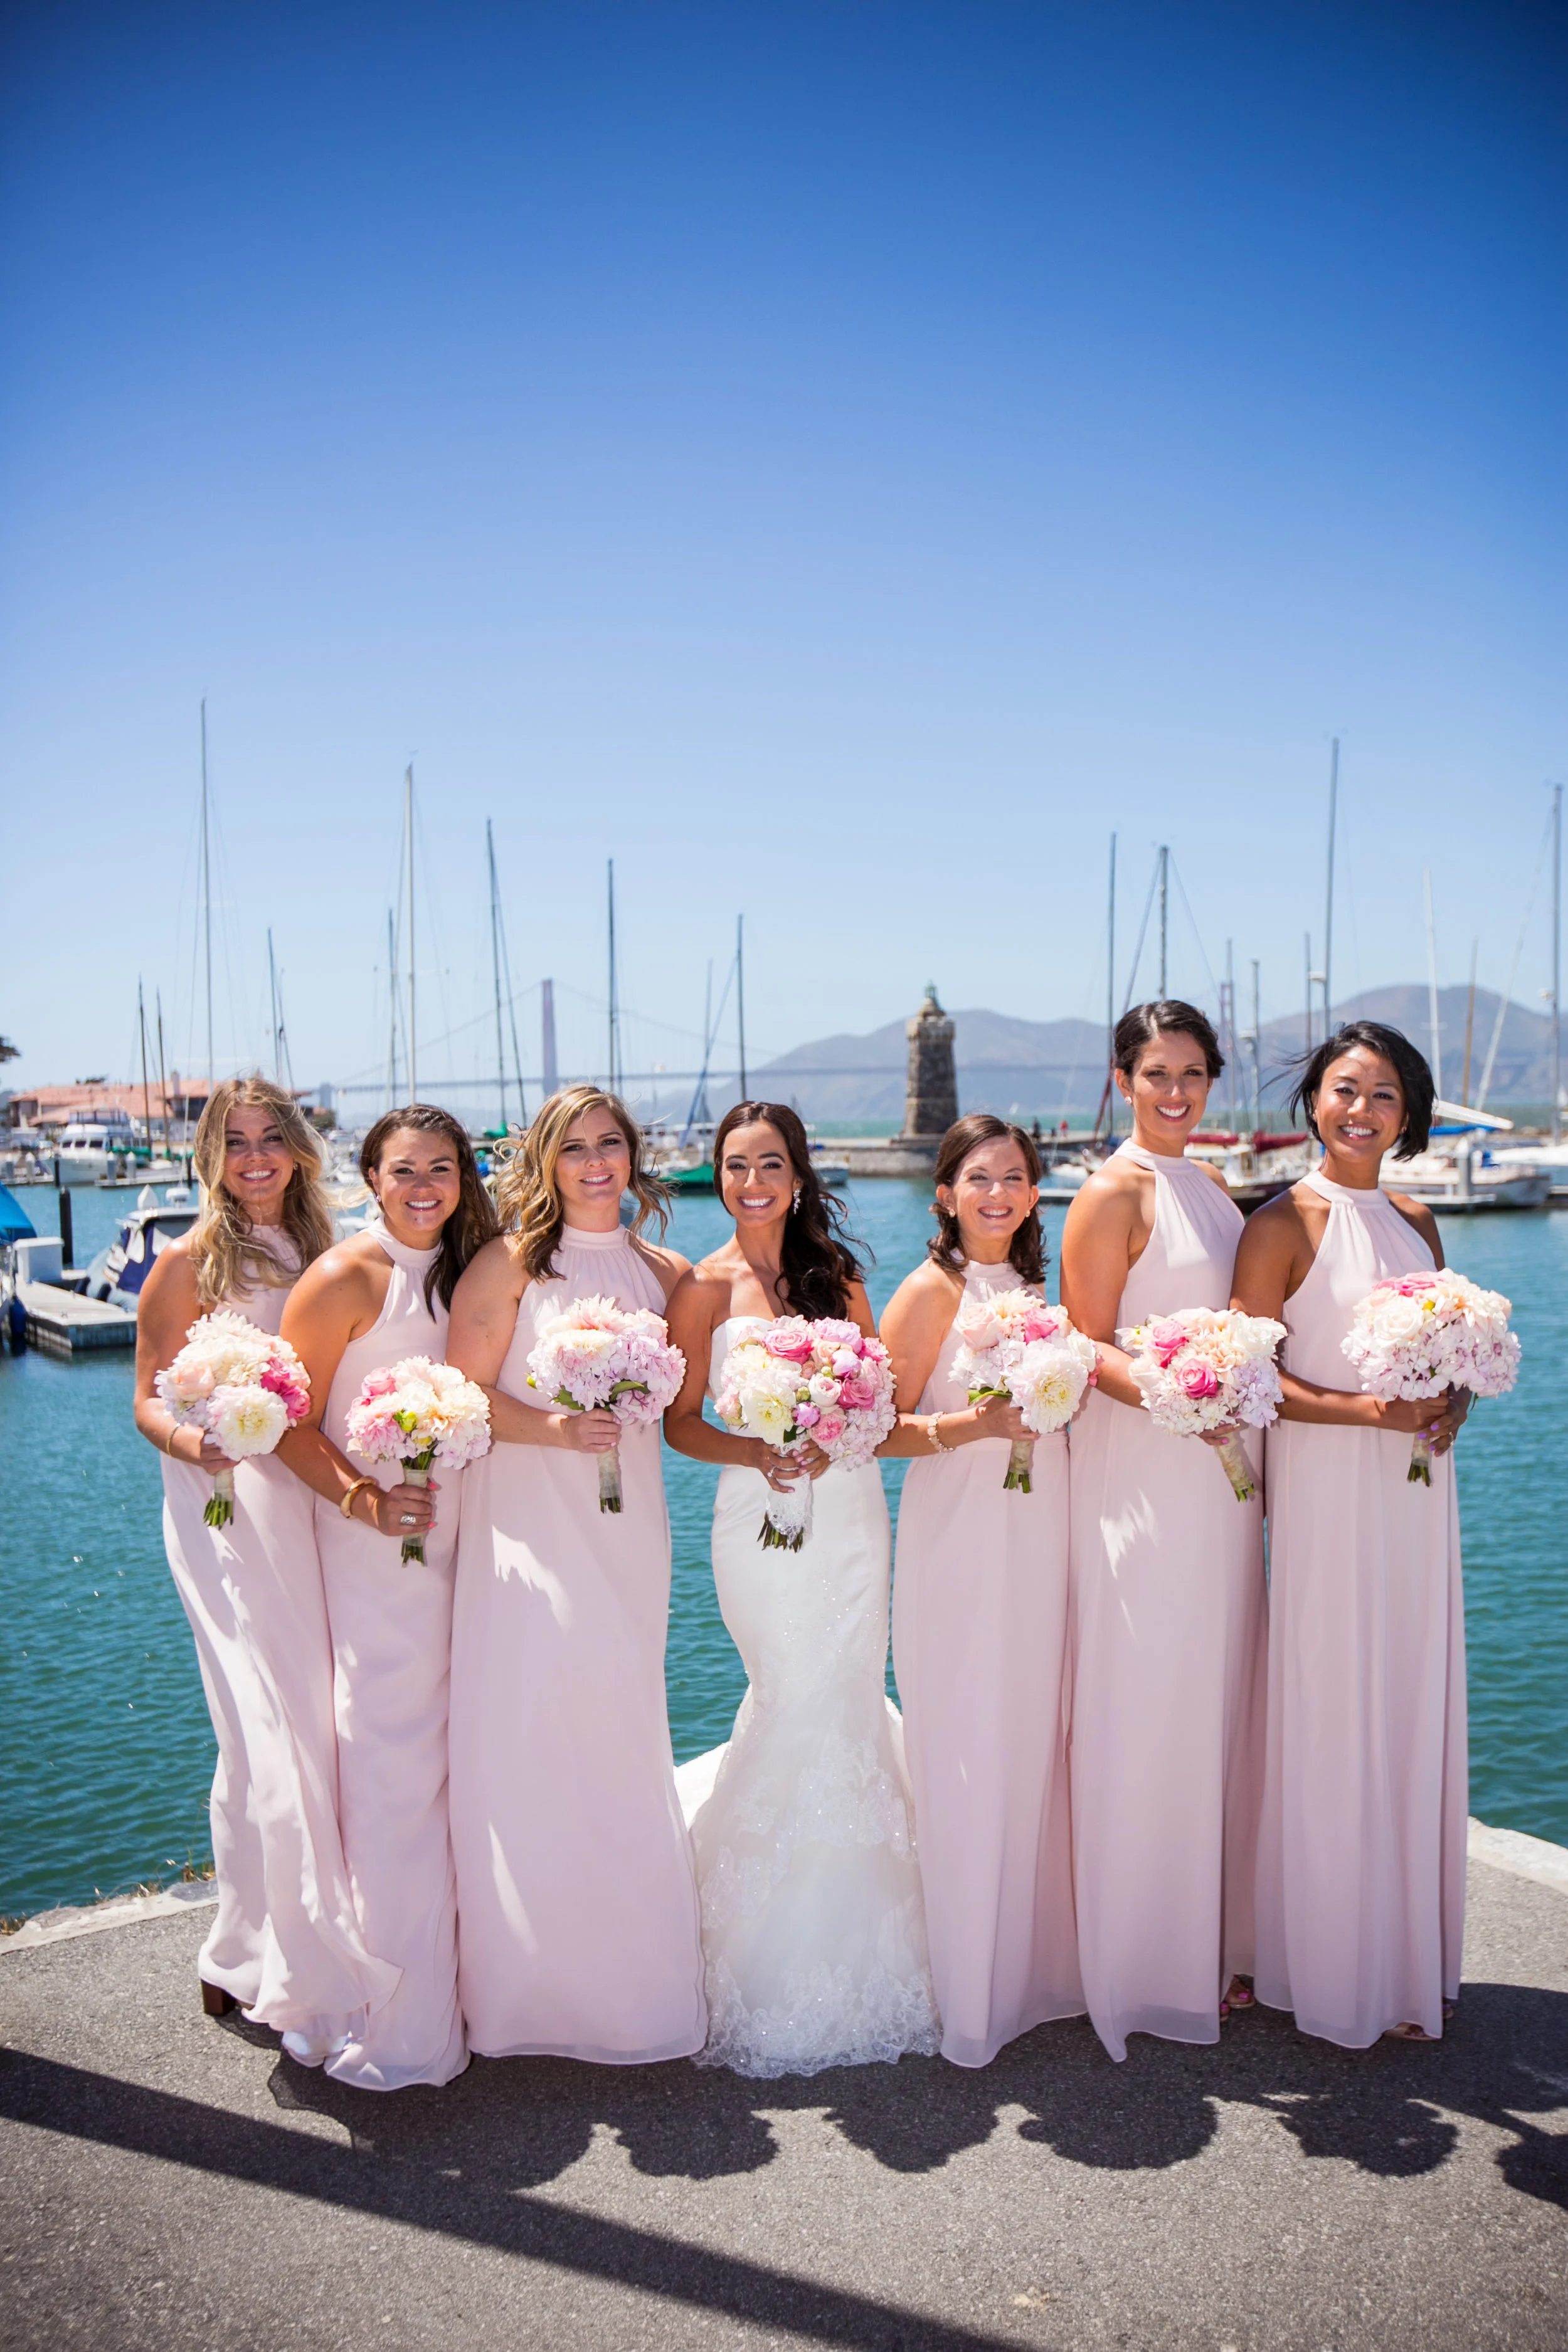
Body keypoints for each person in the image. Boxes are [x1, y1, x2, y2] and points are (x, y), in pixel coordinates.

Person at [664, 1102, 940, 2079]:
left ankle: (887, 1941)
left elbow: (877, 1398)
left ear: (797, 1170)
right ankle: (744, 1940)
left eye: (769, 1162)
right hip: (758, 1514)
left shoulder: (840, 1274)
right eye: (735, 1165)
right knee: (789, 1690)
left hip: (852, 1510)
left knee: (852, 1694)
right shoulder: (701, 1286)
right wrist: (760, 1446)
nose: (751, 1181)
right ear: (720, 1173)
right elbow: (679, 1425)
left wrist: (840, 1427)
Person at [132, 1076, 397, 2047]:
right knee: (263, 1721)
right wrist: (195, 1441)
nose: (254, 1157)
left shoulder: (330, 1249)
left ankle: (247, 1942)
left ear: (296, 1149)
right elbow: (148, 1399)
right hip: (226, 1505)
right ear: (212, 1155)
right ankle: (264, 1952)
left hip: (317, 1496)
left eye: (270, 1139)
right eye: (234, 1141)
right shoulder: (186, 1262)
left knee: (314, 1718)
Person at [445, 1087, 706, 2063]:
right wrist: (555, 1425)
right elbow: (463, 1392)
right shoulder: (509, 1262)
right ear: (546, 1162)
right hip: (527, 1524)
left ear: (634, 1157)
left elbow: (679, 1413)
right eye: (574, 1148)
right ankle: (527, 1985)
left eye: (610, 1144)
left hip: (629, 1526)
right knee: (530, 1724)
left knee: (618, 1722)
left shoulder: (667, 1271)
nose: (595, 1162)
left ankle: (625, 1975)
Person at [1232, 1023, 1469, 2045]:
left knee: (1409, 1687)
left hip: (1419, 1491)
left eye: (1383, 1093)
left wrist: (1457, 1393)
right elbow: (1255, 1372)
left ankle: (1404, 1956)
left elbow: (1450, 1344)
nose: (1361, 1108)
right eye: (1343, 1089)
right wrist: (1364, 1412)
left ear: (1408, 1111)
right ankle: (1322, 1962)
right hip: (1329, 1483)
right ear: (1314, 1103)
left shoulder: (1419, 1217)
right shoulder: (1282, 1221)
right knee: (1331, 1693)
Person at [1060, 1002, 1266, 2062]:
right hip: (1144, 1468)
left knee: (1210, 1694)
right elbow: (1084, 1345)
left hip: (1220, 1478)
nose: (1176, 1090)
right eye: (1156, 1072)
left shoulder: (1213, 1184)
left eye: (1193, 1072)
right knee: (1147, 1693)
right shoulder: (1113, 1188)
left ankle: (1211, 1936)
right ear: (1123, 1078)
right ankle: (1141, 1959)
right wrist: (1182, 1395)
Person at [280, 1104, 495, 2089]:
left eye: (442, 1168)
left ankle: (461, 1983)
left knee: (455, 1759)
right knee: (387, 1765)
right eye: (403, 1167)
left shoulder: (473, 1269)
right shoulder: (341, 1277)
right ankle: (385, 2006)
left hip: (458, 1540)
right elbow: (288, 1427)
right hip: (371, 1548)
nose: (423, 1185)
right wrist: (366, 1499)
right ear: (369, 1176)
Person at [881, 1115, 1082, 2066]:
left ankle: (1036, 1965)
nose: (996, 1192)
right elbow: (875, 1431)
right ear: (945, 1194)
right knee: (966, 1735)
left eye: (1014, 1177)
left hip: (1045, 1532)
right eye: (977, 1177)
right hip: (959, 1535)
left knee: (1034, 1736)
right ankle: (969, 1984)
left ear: (1035, 1193)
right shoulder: (930, 1292)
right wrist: (979, 1423)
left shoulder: (1051, 1293)